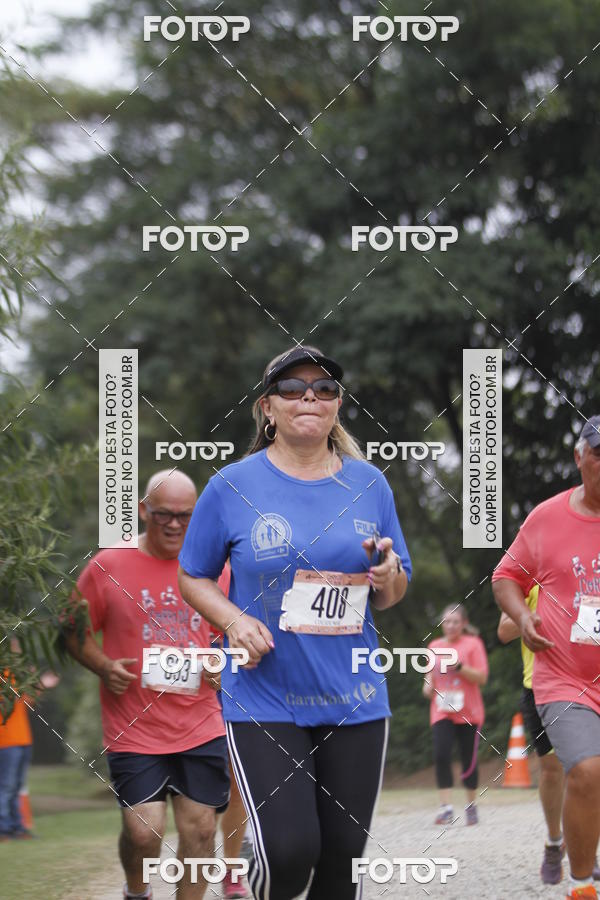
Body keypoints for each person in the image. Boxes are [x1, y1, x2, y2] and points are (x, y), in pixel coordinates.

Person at [178, 345, 411, 900]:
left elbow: (394, 592)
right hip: (265, 698)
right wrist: (233, 620)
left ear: (336, 407)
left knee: (340, 865)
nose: (310, 396)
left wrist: (387, 573)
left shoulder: (370, 485)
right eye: (293, 388)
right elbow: (193, 576)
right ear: (268, 408)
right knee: (288, 852)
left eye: (325, 388)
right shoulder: (231, 486)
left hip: (353, 696)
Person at [64, 471, 231, 900]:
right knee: (144, 832)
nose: (175, 525)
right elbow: (71, 631)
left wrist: (225, 663)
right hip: (134, 728)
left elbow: (238, 637)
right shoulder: (108, 565)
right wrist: (103, 665)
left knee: (201, 829)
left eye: (185, 516)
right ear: (143, 511)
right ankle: (137, 892)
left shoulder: (216, 569)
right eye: (164, 515)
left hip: (200, 721)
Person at [492, 415, 600, 900]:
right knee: (583, 770)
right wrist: (523, 616)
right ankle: (581, 883)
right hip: (562, 677)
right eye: (599, 452)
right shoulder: (547, 518)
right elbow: (505, 577)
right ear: (580, 458)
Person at [422, 604, 488, 827]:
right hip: (442, 710)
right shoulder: (434, 646)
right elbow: (427, 681)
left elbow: (481, 678)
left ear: (464, 624)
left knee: (468, 758)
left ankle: (470, 806)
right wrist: (428, 688)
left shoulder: (473, 645)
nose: (450, 626)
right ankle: (446, 808)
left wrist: (459, 666)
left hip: (469, 710)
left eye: (455, 622)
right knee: (441, 754)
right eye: (447, 622)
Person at [0, 643, 59, 841]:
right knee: (6, 787)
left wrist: (40, 685)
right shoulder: (4, 673)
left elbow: (26, 701)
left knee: (16, 787)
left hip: (22, 738)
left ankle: (18, 828)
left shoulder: (14, 673)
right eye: (14, 647)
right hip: (6, 740)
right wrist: (35, 682)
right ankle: (3, 829)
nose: (18, 651)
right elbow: (10, 697)